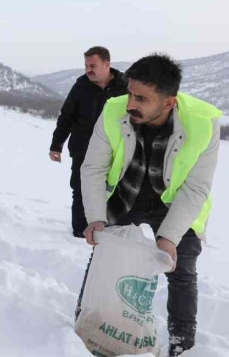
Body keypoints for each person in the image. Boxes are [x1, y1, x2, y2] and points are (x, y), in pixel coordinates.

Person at [77, 54, 221, 356]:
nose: (131, 102)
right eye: (131, 92)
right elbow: (92, 168)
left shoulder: (203, 124)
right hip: (126, 196)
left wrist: (168, 238)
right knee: (105, 254)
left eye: (141, 98)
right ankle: (86, 322)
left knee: (181, 269)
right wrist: (96, 218)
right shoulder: (114, 110)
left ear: (168, 102)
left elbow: (196, 187)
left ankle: (181, 345)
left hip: (174, 203)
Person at [49, 46, 127, 237]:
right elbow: (66, 117)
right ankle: (80, 232)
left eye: (92, 65)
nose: (88, 70)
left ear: (107, 64)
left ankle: (109, 230)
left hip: (115, 151)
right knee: (80, 189)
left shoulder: (126, 87)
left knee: (115, 191)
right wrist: (56, 145)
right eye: (86, 66)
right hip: (82, 148)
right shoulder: (80, 86)